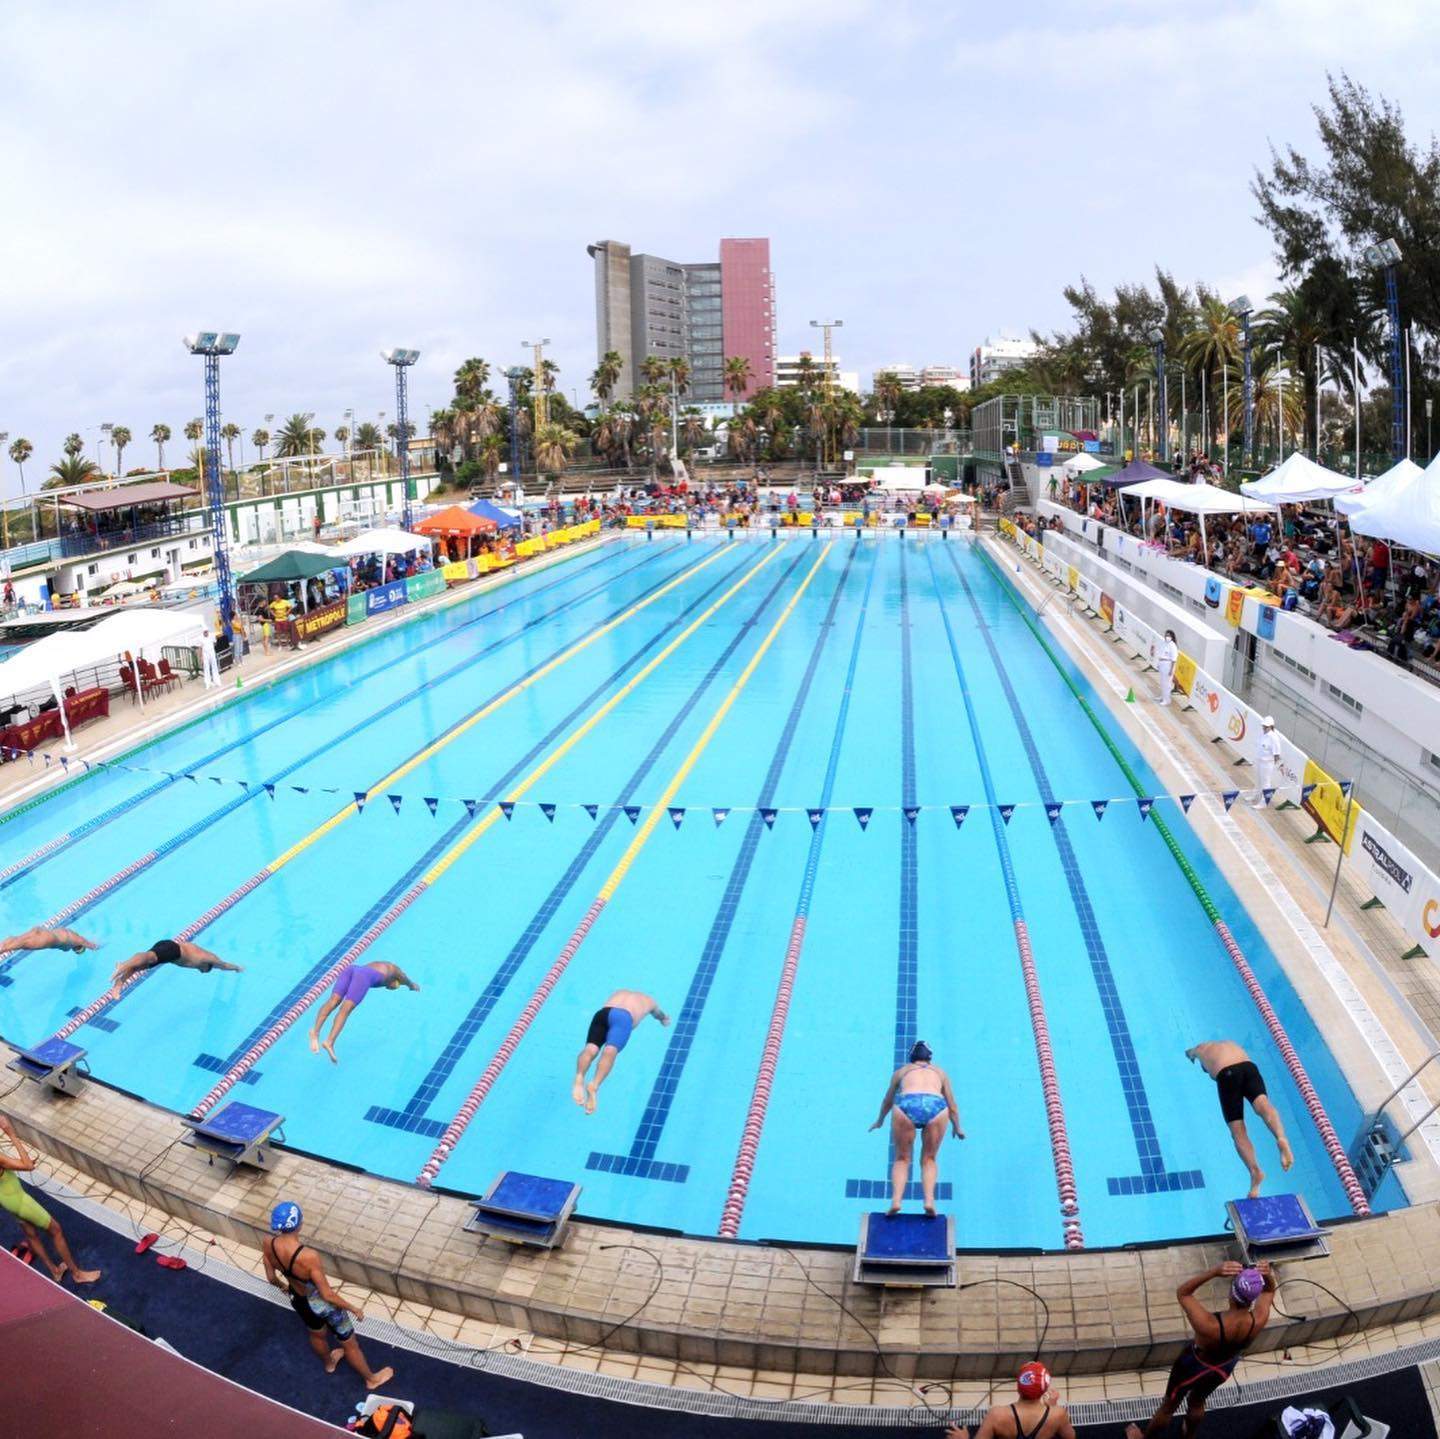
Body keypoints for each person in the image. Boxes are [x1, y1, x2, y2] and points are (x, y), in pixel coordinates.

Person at [1125, 1261, 1275, 1438]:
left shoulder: (1209, 1325)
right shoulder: (1258, 1319)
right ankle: (1189, 1436)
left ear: (1231, 1293)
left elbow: (1183, 1293)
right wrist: (1267, 1275)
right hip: (1223, 1368)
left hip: (1192, 1367)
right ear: (1252, 1299)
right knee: (1197, 1402)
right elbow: (1270, 1290)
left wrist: (1213, 1272)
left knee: (1170, 1405)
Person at [262, 1201, 394, 1390]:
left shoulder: (268, 1243)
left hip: (299, 1301)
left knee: (316, 1334)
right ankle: (371, 1380)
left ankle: (329, 1363)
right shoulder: (308, 1256)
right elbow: (327, 1294)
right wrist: (354, 1308)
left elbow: (270, 1277)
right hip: (322, 1303)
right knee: (350, 1344)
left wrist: (284, 1285)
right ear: (299, 1223)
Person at [0, 1115, 100, 1284]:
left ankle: (55, 1271)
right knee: (56, 1230)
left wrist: (15, 1164)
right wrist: (10, 1133)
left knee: (31, 1234)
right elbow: (28, 1166)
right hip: (19, 1200)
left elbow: (9, 1166)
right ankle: (77, 1274)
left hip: (6, 1200)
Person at [1186, 1040, 1293, 1197]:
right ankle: (1281, 1138)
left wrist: (1190, 1055)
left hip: (1227, 1074)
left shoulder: (1201, 1049)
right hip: (1249, 1068)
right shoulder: (1231, 1044)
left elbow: (1190, 1052)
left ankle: (1255, 1171)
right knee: (1262, 1105)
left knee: (1238, 1130)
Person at [869, 1040, 965, 1216]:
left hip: (907, 1103)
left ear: (911, 1057)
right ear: (929, 1058)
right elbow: (952, 1105)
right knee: (929, 1159)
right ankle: (929, 1201)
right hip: (935, 1105)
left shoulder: (902, 1072)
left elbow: (887, 1101)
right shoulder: (940, 1073)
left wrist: (880, 1120)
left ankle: (896, 1201)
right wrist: (958, 1127)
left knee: (902, 1159)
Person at [572, 989, 671, 1114]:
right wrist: (664, 1019)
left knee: (590, 1049)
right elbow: (659, 1014)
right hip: (623, 1018)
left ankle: (579, 1078)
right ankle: (594, 1085)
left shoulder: (620, 992)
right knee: (610, 1051)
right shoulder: (649, 1000)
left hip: (602, 1014)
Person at [308, 961, 419, 1063]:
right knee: (345, 1010)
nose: (391, 988)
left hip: (352, 969)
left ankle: (315, 1031)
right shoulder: (394, 970)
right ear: (394, 981)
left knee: (333, 1001)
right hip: (364, 976)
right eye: (395, 986)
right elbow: (404, 978)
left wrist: (407, 984)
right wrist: (412, 985)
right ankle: (329, 1042)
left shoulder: (382, 969)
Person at [946, 1362, 1074, 1439]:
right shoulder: (1058, 1415)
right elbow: (1070, 1437)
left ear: (1018, 1389)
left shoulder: (997, 1415)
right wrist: (1051, 1407)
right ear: (1044, 1391)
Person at [109, 938, 242, 1001]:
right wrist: (236, 967)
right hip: (173, 950)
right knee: (148, 957)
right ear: (207, 966)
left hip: (169, 951)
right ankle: (123, 965)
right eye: (204, 970)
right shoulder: (205, 958)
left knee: (140, 966)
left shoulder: (199, 962)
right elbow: (223, 965)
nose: (200, 971)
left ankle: (119, 984)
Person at [0, 925, 99, 957]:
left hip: (41, 931)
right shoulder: (76, 941)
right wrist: (96, 947)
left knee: (16, 940)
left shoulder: (68, 931)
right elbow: (89, 944)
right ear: (78, 946)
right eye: (76, 950)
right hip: (47, 939)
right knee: (18, 944)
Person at [1250, 715, 1280, 808]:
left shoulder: (1274, 738)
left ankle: (1264, 802)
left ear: (1271, 726)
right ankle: (1256, 796)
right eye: (1264, 726)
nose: (1264, 728)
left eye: (1266, 726)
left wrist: (1276, 765)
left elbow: (1277, 754)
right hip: (1259, 761)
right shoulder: (1263, 735)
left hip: (1267, 764)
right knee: (1258, 780)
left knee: (1265, 783)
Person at [1157, 629, 1179, 707]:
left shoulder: (1173, 646)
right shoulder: (1164, 643)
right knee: (1162, 682)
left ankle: (1167, 700)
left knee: (1167, 683)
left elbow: (1174, 659)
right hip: (1162, 663)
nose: (1167, 637)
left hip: (1168, 664)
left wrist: (1171, 670)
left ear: (1172, 637)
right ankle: (1163, 696)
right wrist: (1159, 664)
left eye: (1169, 635)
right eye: (1166, 635)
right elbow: (1161, 654)